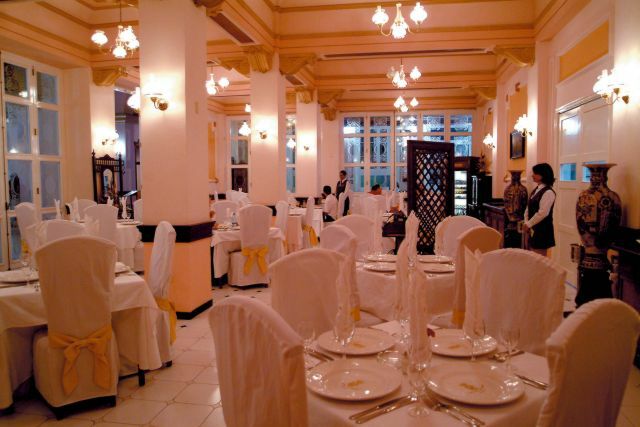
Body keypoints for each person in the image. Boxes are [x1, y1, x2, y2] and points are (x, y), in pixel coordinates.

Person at [522, 163, 556, 257]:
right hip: (532, 228)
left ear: (542, 175)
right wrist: (526, 222)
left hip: (542, 230)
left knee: (538, 259)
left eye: (535, 173)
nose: (532, 175)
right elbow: (528, 208)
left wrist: (528, 224)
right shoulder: (537, 189)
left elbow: (543, 213)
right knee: (531, 257)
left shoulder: (548, 192)